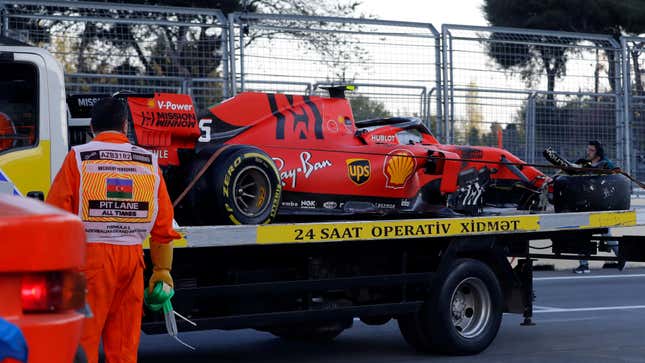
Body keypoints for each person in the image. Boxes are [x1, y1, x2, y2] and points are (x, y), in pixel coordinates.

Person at [46, 97, 180, 363]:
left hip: (86, 264)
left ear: (91, 128)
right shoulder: (149, 162)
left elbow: (55, 216)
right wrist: (162, 271)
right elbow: (163, 227)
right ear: (125, 126)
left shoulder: (78, 157)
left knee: (80, 345)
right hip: (133, 265)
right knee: (124, 348)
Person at [572, 140, 621, 274]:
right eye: (588, 149)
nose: (588, 152)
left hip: (600, 204)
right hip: (585, 204)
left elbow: (616, 179)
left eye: (591, 150)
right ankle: (584, 265)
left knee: (605, 233)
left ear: (598, 151)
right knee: (582, 233)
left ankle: (621, 256)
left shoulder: (606, 164)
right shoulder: (584, 163)